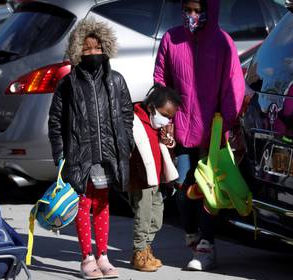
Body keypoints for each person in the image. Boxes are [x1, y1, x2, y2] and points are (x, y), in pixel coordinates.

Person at [153, 0, 245, 271]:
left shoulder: (222, 42)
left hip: (213, 131)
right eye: (188, 10)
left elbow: (233, 85)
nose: (192, 16)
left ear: (209, 10)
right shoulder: (171, 39)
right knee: (181, 186)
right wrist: (164, 117)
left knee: (208, 191)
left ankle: (207, 246)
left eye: (197, 10)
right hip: (181, 129)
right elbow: (161, 79)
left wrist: (227, 124)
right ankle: (192, 232)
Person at [48, 18, 134, 279]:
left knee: (103, 203)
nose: (92, 53)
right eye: (86, 50)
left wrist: (125, 143)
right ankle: (86, 257)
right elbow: (55, 121)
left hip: (107, 155)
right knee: (83, 204)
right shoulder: (68, 84)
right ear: (77, 52)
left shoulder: (116, 80)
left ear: (105, 49)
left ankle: (103, 255)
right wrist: (61, 155)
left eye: (97, 48)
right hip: (80, 156)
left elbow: (126, 113)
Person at [128, 85, 181, 272]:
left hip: (156, 179)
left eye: (170, 116)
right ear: (151, 107)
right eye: (164, 114)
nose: (166, 119)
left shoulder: (158, 125)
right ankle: (139, 252)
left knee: (157, 216)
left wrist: (170, 141)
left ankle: (146, 248)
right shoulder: (134, 121)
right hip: (140, 180)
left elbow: (167, 147)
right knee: (143, 216)